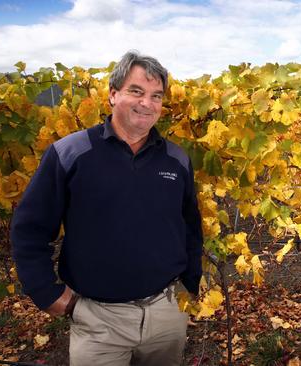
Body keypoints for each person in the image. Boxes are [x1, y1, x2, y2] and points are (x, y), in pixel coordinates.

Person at [11, 51, 203, 366]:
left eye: (156, 96)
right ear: (113, 95)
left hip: (166, 313)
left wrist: (190, 284)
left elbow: (190, 226)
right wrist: (48, 294)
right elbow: (29, 229)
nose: (147, 103)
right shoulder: (70, 153)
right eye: (136, 91)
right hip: (98, 319)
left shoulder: (176, 158)